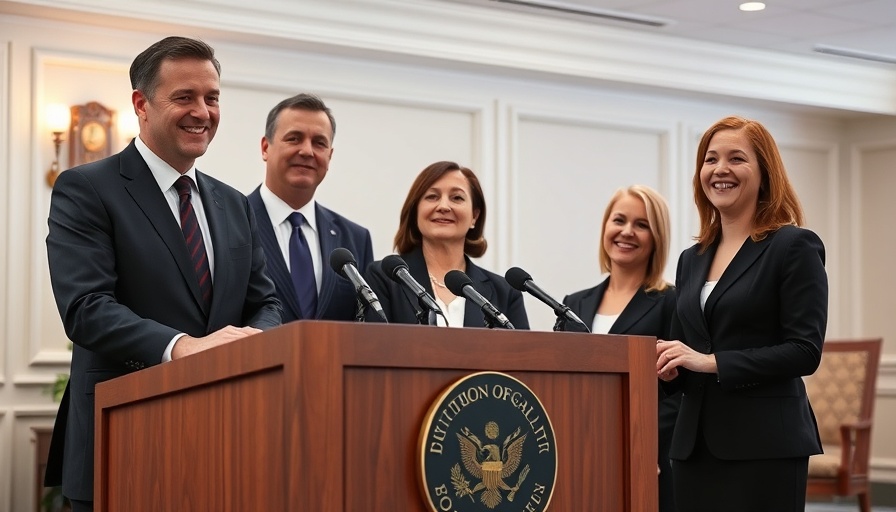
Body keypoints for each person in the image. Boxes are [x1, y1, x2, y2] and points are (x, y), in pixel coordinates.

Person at [44, 36, 282, 512]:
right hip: (124, 441)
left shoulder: (234, 203)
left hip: (225, 448)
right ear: (141, 104)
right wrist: (184, 348)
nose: (203, 112)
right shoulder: (86, 188)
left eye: (212, 98)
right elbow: (86, 309)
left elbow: (267, 302)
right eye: (185, 97)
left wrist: (252, 342)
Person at [656, 116, 827, 512]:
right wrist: (669, 369)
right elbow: (690, 350)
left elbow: (805, 350)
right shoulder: (691, 259)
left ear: (765, 172)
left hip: (764, 446)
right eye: (710, 159)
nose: (720, 170)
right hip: (693, 447)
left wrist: (709, 362)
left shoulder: (793, 246)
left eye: (737, 159)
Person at [563, 184, 678, 512]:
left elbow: (678, 394)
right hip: (581, 450)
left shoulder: (672, 302)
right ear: (605, 228)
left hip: (647, 458)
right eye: (619, 220)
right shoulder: (574, 304)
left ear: (657, 237)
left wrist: (646, 447)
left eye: (641, 225)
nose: (627, 231)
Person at [247, 93, 373, 322]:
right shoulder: (230, 223)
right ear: (266, 147)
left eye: (319, 143)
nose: (307, 151)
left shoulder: (355, 239)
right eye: (294, 139)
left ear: (330, 155)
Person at [365, 161, 529, 329]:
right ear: (416, 211)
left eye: (457, 198)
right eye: (432, 197)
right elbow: (374, 349)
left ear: (474, 216)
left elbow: (523, 354)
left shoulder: (505, 292)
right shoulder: (384, 279)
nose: (443, 206)